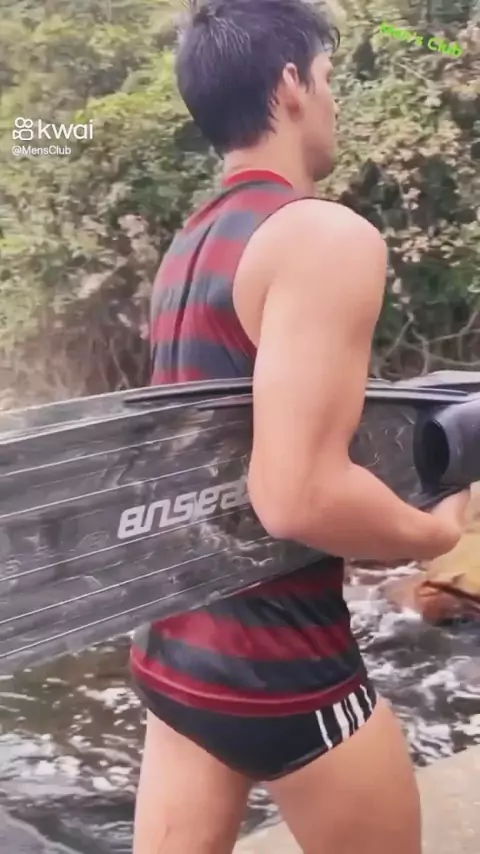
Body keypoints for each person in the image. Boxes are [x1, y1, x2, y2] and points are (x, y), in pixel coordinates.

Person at [130, 2, 470, 852]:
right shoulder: (321, 235)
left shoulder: (189, 245)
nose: (334, 99)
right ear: (291, 84)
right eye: (327, 76)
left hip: (174, 648)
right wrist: (434, 533)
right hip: (284, 666)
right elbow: (297, 493)